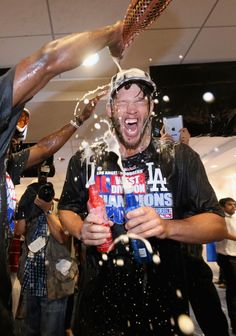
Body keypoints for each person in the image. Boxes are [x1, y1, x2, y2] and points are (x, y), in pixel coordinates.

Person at [58, 68, 227, 336]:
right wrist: (80, 229)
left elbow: (217, 225)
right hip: (98, 310)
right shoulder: (86, 159)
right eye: (122, 102)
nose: (131, 109)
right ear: (110, 110)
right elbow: (67, 208)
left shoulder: (179, 158)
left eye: (139, 100)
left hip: (163, 312)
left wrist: (167, 227)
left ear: (150, 107)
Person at [0, 21, 124, 335]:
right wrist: (115, 33)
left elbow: (43, 148)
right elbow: (46, 62)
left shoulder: (7, 163)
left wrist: (76, 120)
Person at [161, 127, 230, 335]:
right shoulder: (154, 164)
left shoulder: (188, 162)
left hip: (192, 257)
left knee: (211, 317)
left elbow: (212, 218)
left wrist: (184, 151)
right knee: (176, 321)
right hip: (167, 261)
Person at [15, 176, 75, 336]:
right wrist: (22, 208)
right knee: (28, 330)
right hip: (31, 283)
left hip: (54, 285)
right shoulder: (31, 212)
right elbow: (19, 231)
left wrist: (47, 210)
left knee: (51, 332)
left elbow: (62, 236)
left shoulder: (62, 211)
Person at [217, 197, 236, 335]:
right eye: (230, 204)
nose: (233, 207)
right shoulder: (219, 219)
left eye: (234, 204)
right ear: (222, 206)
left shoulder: (234, 218)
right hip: (228, 257)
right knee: (233, 291)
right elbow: (220, 234)